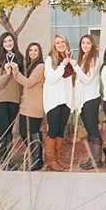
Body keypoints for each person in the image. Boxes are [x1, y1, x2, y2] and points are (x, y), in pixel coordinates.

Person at [0, 31, 23, 170]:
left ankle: (8, 160)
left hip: (14, 98)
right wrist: (7, 73)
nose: (8, 43)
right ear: (1, 44)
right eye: (5, 41)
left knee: (9, 130)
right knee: (3, 129)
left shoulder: (19, 59)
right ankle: (2, 161)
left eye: (10, 41)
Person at [10, 42, 45, 171]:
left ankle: (36, 160)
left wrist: (15, 71)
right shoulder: (29, 66)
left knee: (33, 132)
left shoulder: (40, 66)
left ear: (39, 52)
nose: (33, 52)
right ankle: (37, 157)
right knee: (23, 132)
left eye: (36, 50)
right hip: (26, 105)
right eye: (30, 50)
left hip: (35, 105)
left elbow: (28, 83)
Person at [43, 34, 75, 171]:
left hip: (65, 100)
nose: (61, 44)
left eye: (63, 42)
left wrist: (71, 102)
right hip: (53, 100)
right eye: (58, 43)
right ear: (54, 45)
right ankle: (51, 160)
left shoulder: (70, 60)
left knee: (61, 130)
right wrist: (62, 65)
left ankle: (59, 157)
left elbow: (70, 83)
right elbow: (51, 79)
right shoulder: (51, 59)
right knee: (53, 129)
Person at [73, 34, 103, 170]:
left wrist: (76, 67)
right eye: (83, 43)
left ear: (92, 45)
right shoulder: (82, 59)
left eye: (88, 43)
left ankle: (97, 160)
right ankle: (92, 158)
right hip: (83, 100)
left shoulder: (94, 60)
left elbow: (87, 79)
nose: (85, 45)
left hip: (91, 98)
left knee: (93, 129)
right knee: (89, 131)